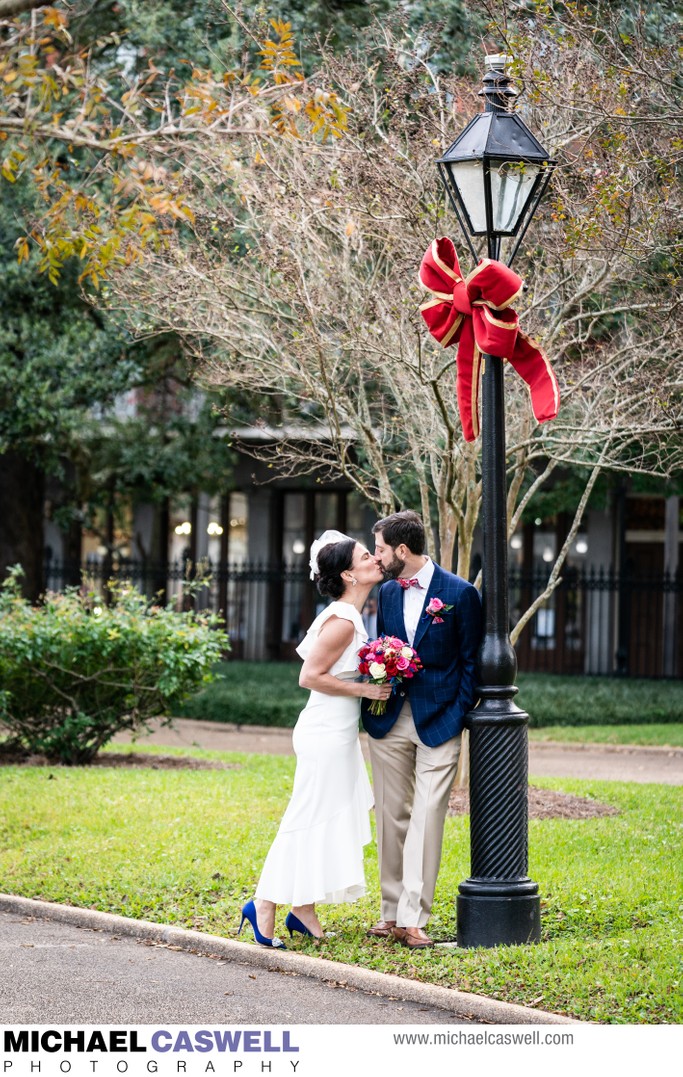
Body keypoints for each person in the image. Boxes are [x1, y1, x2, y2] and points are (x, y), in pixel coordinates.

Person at [240, 529, 391, 947]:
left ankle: (303, 909)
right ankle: (263, 903)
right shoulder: (342, 620)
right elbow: (309, 676)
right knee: (305, 817)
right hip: (324, 732)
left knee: (326, 819)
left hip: (338, 732)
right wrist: (365, 689)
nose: (374, 561)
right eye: (365, 557)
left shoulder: (350, 615)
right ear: (348, 574)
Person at [362, 510, 482, 949]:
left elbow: (472, 661)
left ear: (402, 550)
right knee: (392, 815)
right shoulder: (389, 592)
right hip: (391, 718)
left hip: (441, 720)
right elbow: (384, 649)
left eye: (379, 549)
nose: (376, 558)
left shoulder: (460, 593)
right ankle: (391, 912)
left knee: (428, 817)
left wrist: (458, 713)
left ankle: (415, 917)